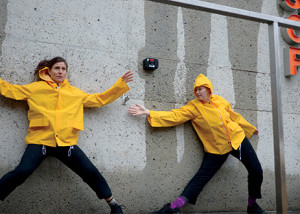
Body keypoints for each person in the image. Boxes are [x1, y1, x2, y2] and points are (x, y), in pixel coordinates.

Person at [0, 56, 133, 214]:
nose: (60, 72)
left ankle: (114, 205)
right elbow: (9, 90)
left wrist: (120, 85)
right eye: (57, 68)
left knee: (90, 171)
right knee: (21, 172)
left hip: (66, 144)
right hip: (40, 142)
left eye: (63, 69)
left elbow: (99, 99)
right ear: (48, 71)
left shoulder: (74, 93)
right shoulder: (35, 88)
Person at [128, 74, 266, 214]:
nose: (198, 92)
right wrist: (150, 113)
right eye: (196, 90)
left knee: (256, 171)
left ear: (208, 89)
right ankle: (173, 208)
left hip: (238, 139)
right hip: (216, 148)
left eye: (201, 89)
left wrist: (249, 128)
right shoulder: (193, 107)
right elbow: (175, 116)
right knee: (200, 179)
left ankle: (252, 206)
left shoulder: (219, 100)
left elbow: (233, 116)